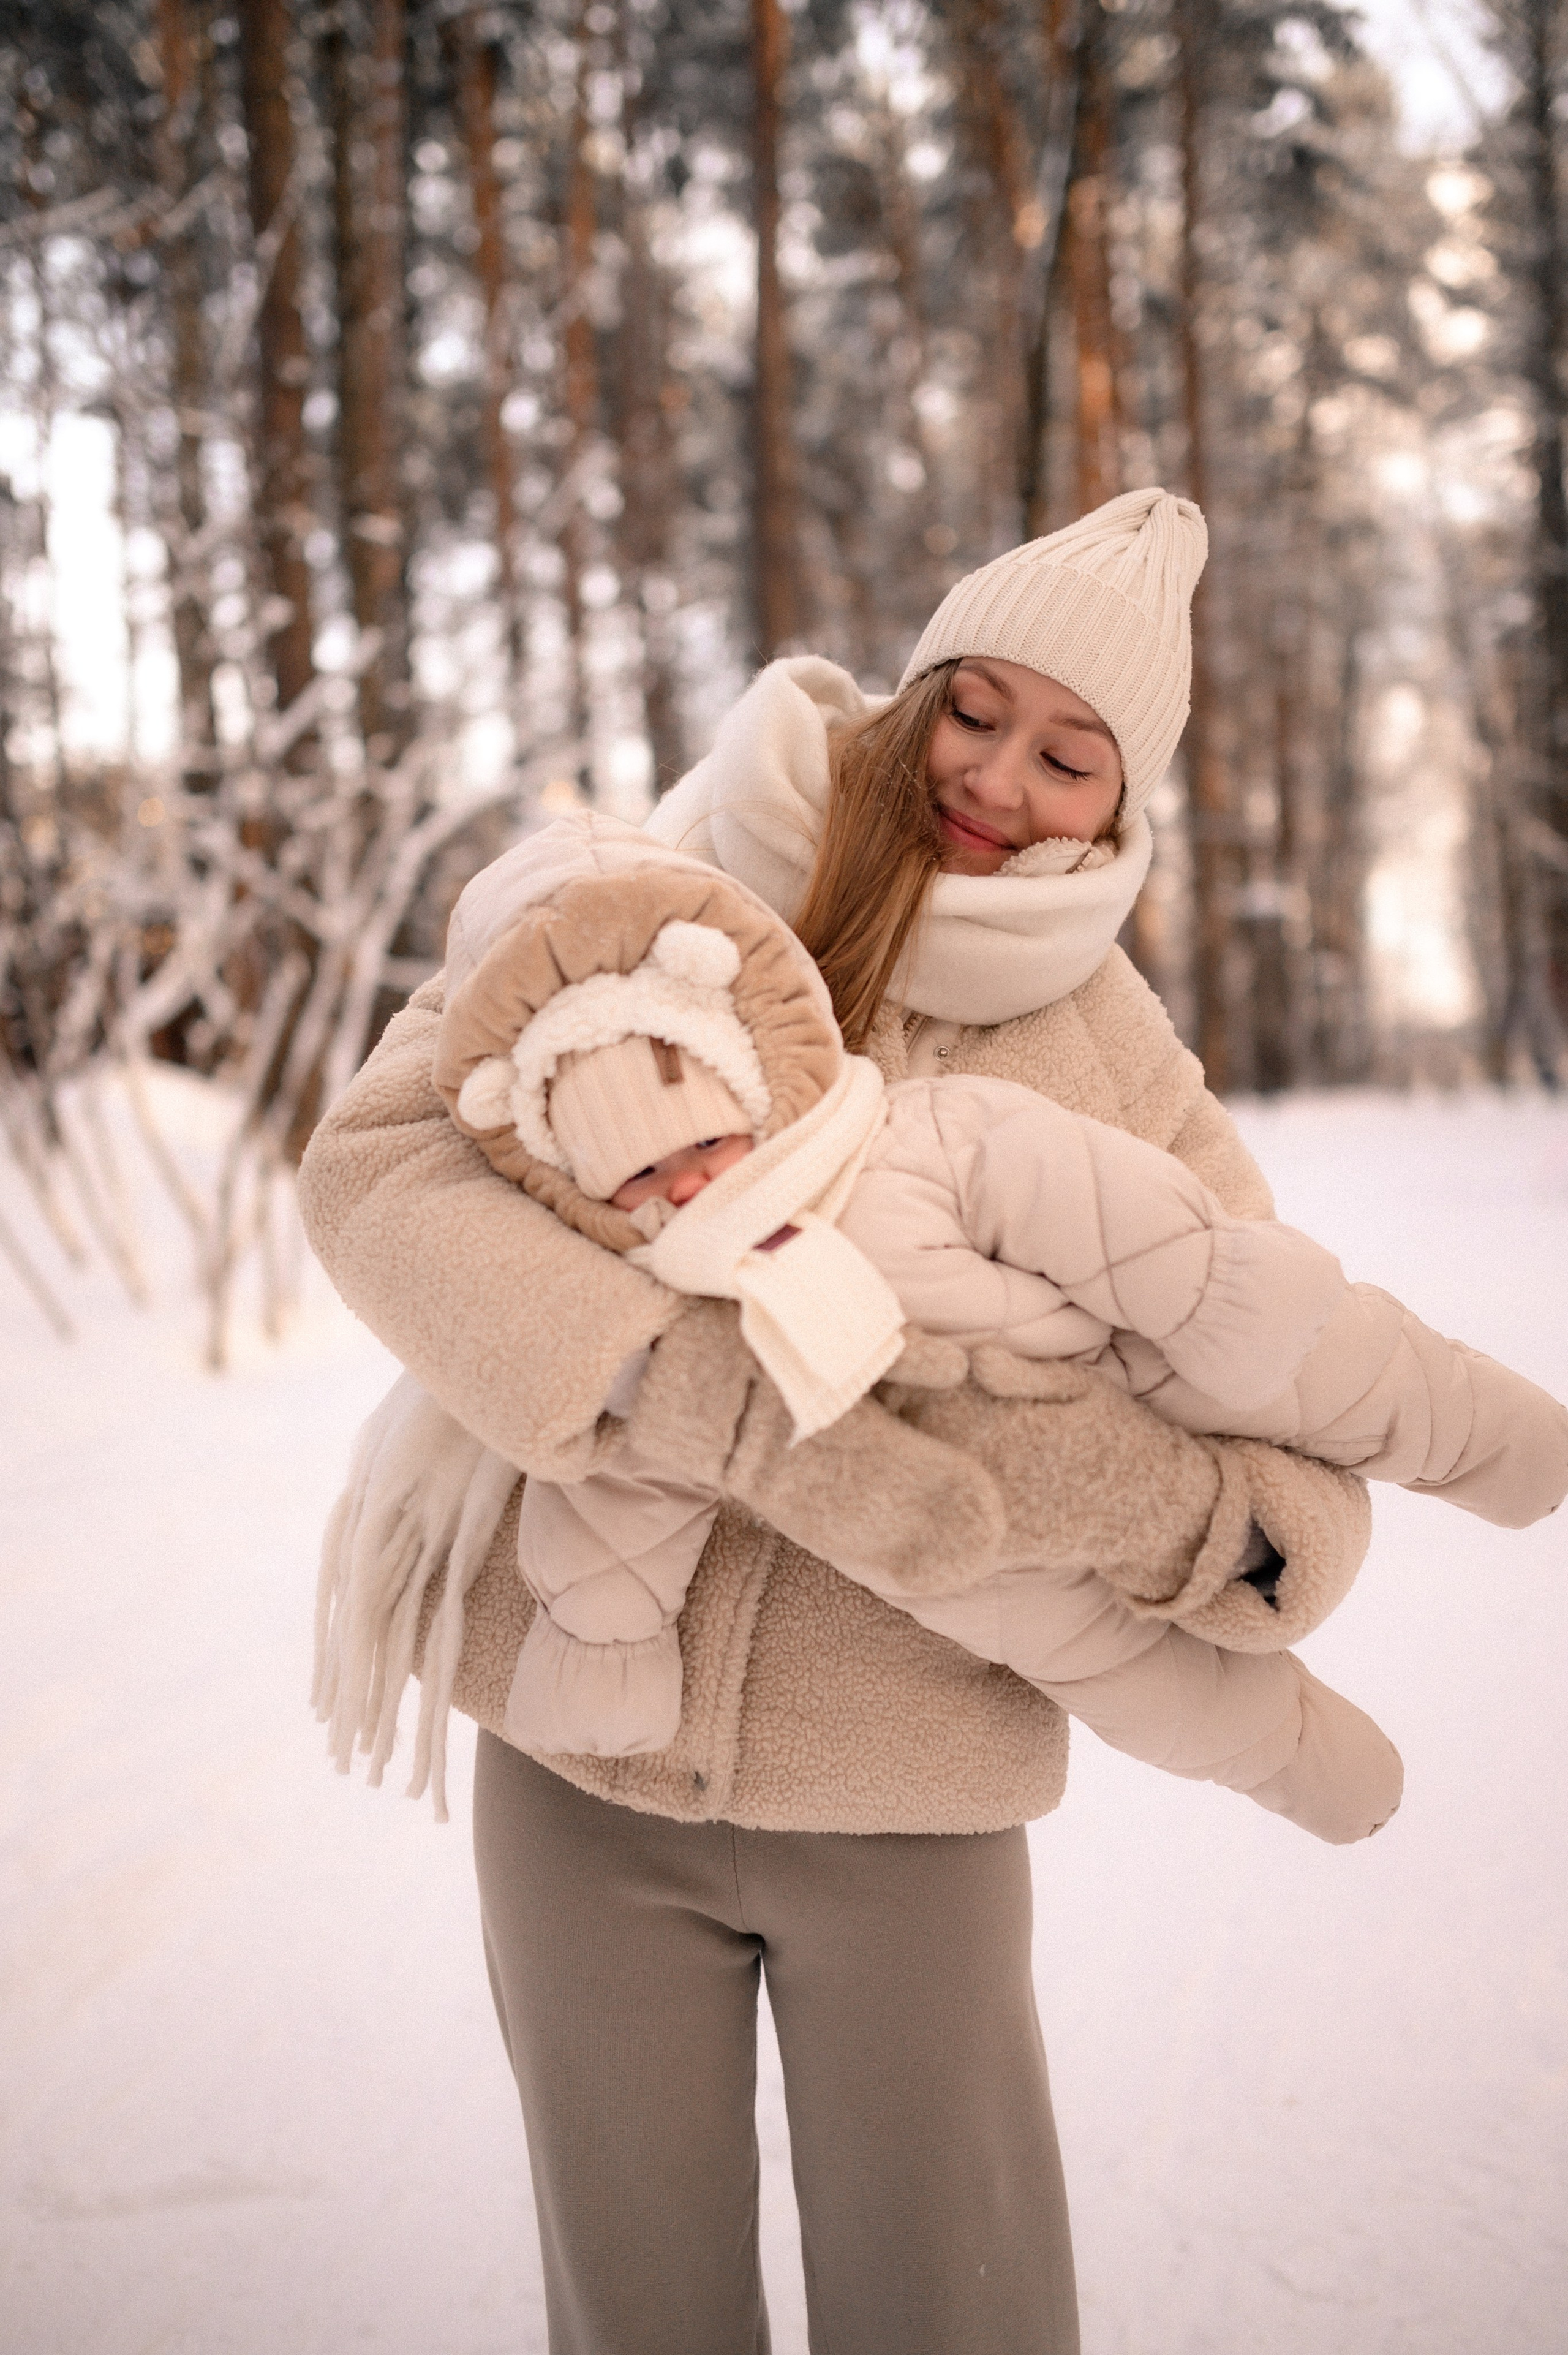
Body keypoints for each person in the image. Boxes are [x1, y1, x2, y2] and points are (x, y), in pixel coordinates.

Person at [300, 489, 1401, 2355]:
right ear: (914, 686)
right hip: (582, 1751)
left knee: (952, 2309)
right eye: (972, 706)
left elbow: (1290, 1420)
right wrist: (662, 1382)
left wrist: (1151, 1510)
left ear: (1118, 804)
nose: (994, 775)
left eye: (1067, 755)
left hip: (912, 1791)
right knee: (634, 2310)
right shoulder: (671, 876)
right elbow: (380, 1159)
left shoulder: (1117, 1063)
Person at [375, 828, 1561, 1828]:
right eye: (640, 1175)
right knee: (1123, 1675)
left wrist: (1213, 1298)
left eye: (702, 1140)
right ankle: (1305, 1762)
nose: (686, 1184)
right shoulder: (666, 1310)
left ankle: (1515, 1446)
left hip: (1124, 1350)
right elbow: (632, 1488)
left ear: (745, 1071)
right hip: (954, 1548)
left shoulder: (914, 1133)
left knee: (1345, 1364)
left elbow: (1096, 1201)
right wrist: (607, 1645)